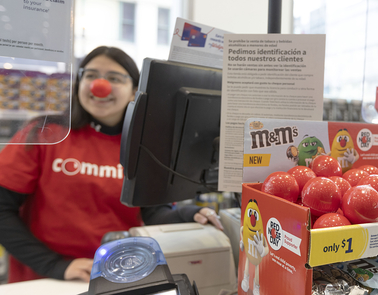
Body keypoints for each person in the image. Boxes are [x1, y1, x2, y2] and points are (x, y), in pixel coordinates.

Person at [0, 46, 223, 284]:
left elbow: (151, 212)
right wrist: (56, 265)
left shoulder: (147, 146)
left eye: (114, 78)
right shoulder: (43, 134)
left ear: (134, 92)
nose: (100, 85)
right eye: (91, 75)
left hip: (118, 276)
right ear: (79, 83)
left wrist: (189, 214)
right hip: (45, 279)